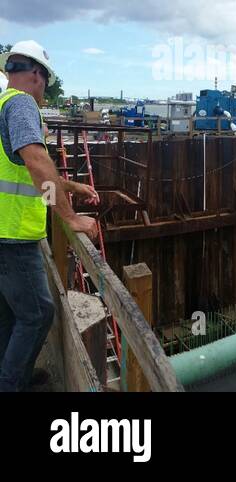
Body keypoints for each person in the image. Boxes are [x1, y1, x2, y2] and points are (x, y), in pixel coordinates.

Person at [1, 41, 100, 392]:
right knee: (39, 313)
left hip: (3, 232)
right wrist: (69, 217)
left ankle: (15, 377)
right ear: (37, 76)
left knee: (10, 314)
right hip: (13, 236)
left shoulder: (2, 103)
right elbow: (35, 161)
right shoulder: (23, 104)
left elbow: (23, 170)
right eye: (46, 80)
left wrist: (71, 186)